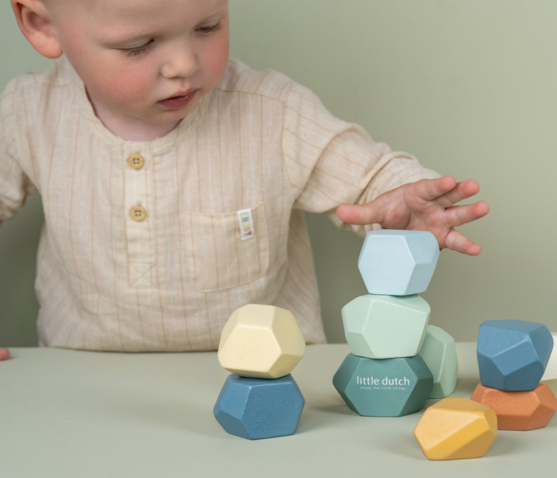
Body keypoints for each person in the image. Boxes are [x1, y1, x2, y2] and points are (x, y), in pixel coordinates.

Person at [0, 0, 489, 357]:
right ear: (42, 25)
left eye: (208, 26)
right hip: (81, 380)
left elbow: (372, 179)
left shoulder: (272, 112)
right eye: (139, 45)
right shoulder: (28, 114)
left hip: (267, 379)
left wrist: (402, 202)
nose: (185, 64)